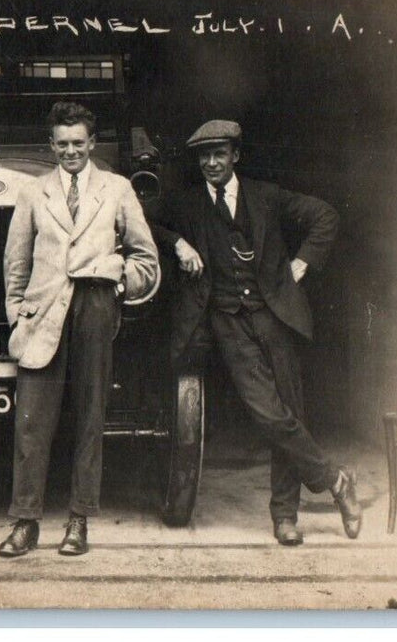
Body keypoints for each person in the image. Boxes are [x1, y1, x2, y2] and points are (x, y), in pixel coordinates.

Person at [157, 119, 362, 546]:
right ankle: (335, 479)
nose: (211, 163)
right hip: (226, 319)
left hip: (274, 314)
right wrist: (178, 243)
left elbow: (325, 216)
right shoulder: (189, 203)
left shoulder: (267, 196)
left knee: (290, 410)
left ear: (236, 156)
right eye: (204, 156)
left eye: (219, 154)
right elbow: (141, 219)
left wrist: (301, 265)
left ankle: (285, 516)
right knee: (268, 413)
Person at [0, 102, 159, 557]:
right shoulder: (33, 192)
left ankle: (78, 521)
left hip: (94, 308)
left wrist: (118, 280)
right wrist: (17, 316)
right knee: (31, 423)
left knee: (89, 418)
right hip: (42, 314)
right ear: (51, 146)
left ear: (92, 143)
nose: (70, 151)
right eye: (62, 143)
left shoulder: (117, 189)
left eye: (78, 142)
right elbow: (16, 263)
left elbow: (147, 258)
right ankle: (24, 523)